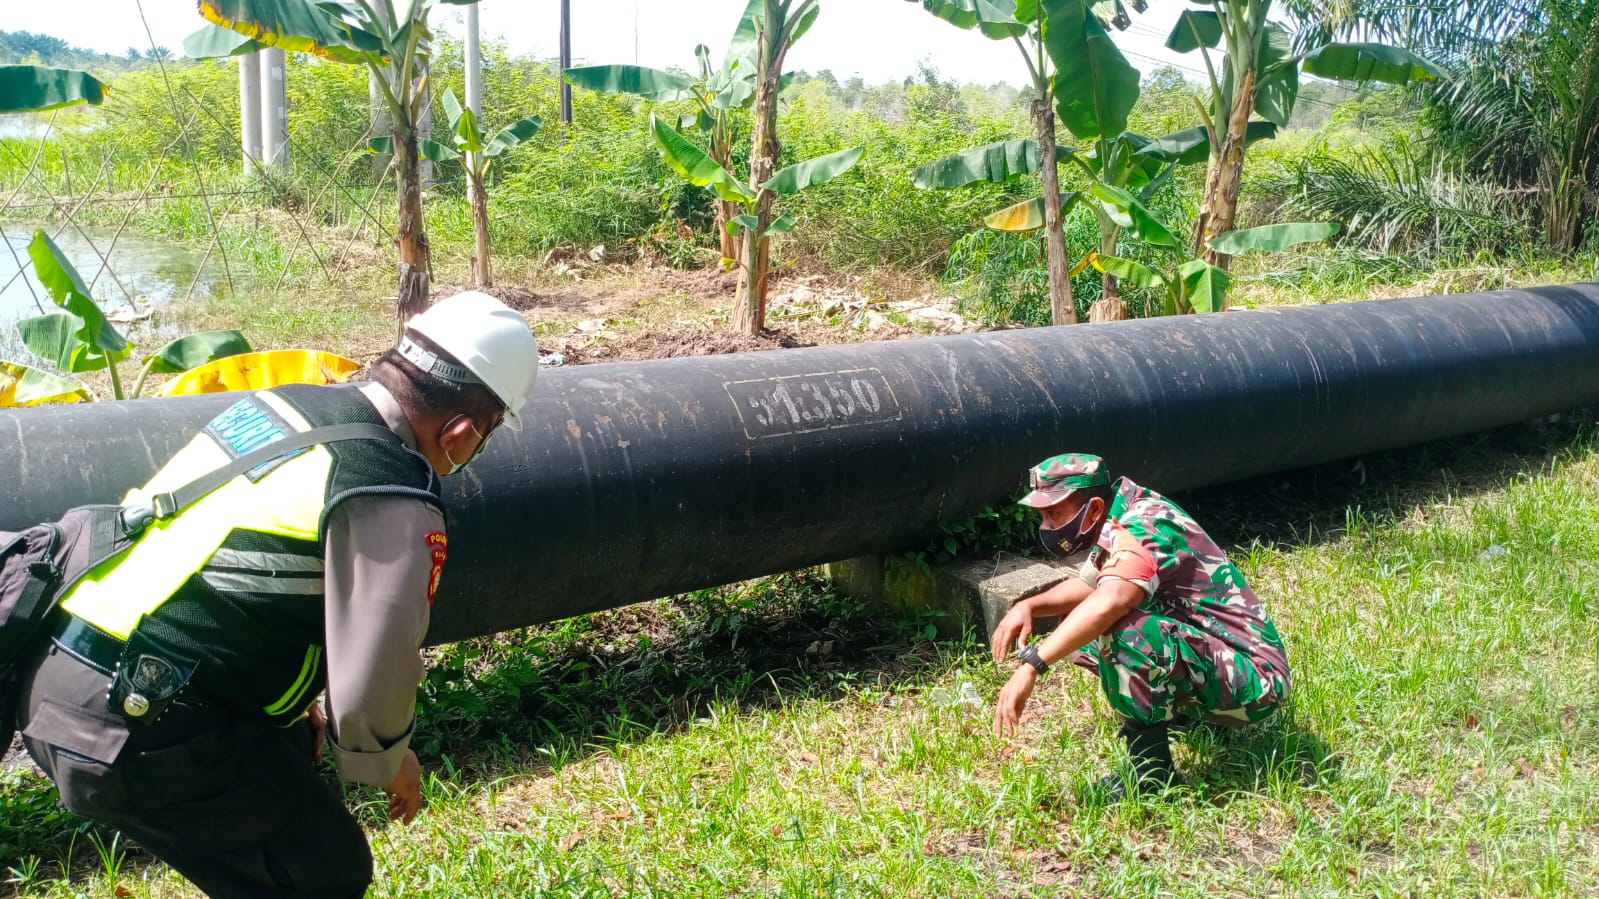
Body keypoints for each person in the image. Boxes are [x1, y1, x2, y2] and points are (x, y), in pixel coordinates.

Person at [13, 291, 538, 897]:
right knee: (322, 871)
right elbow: (372, 678)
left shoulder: (277, 406)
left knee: (285, 763)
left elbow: (205, 559)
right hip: (130, 721)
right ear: (462, 431)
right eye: (487, 437)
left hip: (56, 677)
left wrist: (287, 701)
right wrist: (392, 761)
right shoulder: (389, 493)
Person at [990, 453, 1291, 798]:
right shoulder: (1120, 515)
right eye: (1042, 516)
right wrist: (1029, 605)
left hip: (1258, 683)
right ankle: (1176, 715)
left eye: (1054, 513)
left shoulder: (1142, 525)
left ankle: (1151, 773)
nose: (1047, 526)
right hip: (1227, 666)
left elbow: (1113, 599)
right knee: (1078, 625)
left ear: (1095, 508)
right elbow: (1091, 585)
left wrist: (1033, 664)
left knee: (1122, 631)